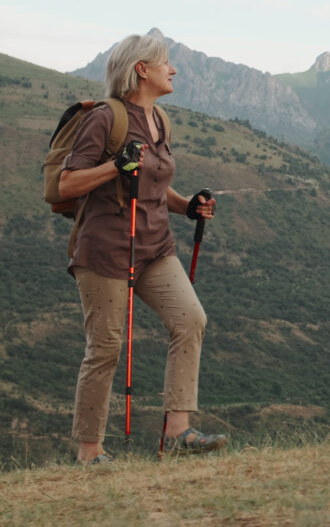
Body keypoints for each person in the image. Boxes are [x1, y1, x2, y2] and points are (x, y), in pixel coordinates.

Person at [59, 33, 226, 464]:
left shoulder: (160, 121)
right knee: (106, 347)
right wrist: (115, 165)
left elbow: (154, 185)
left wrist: (187, 205)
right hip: (105, 250)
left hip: (154, 245)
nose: (173, 70)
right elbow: (68, 183)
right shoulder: (105, 119)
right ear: (141, 70)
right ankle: (89, 452)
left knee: (190, 319)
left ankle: (178, 431)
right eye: (166, 63)